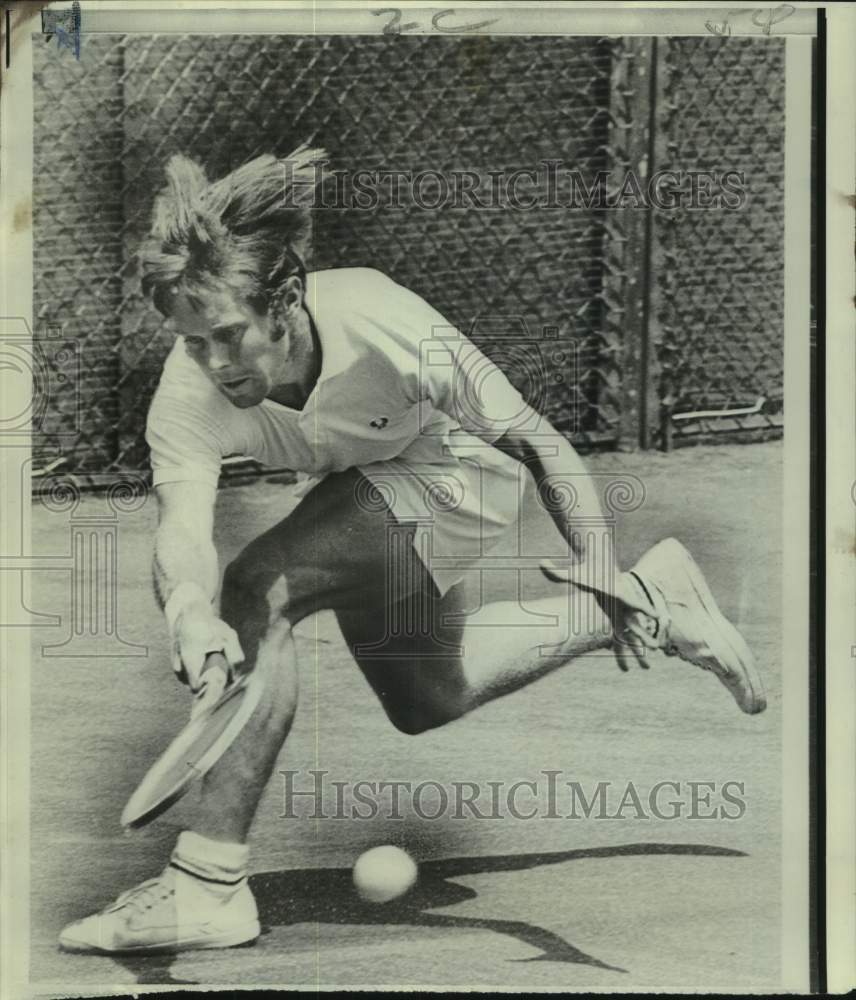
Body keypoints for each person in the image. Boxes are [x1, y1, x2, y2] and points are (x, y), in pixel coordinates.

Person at [59, 147, 766, 954]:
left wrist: (596, 556)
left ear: (284, 300)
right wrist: (186, 611)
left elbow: (540, 442)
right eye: (191, 343)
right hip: (367, 481)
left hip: (457, 473)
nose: (214, 364)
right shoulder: (189, 392)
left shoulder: (379, 316)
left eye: (227, 336)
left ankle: (208, 884)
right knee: (429, 695)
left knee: (261, 587)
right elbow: (180, 528)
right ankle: (649, 600)